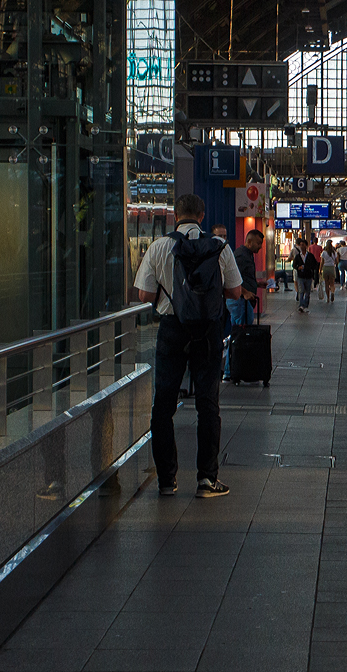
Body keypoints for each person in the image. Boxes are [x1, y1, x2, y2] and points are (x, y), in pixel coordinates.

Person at [133, 193, 245, 499]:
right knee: (208, 404)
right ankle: (207, 479)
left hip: (171, 330)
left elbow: (143, 295)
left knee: (163, 406)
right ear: (202, 213)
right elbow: (235, 291)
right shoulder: (219, 247)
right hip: (208, 332)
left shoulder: (159, 246)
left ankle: (167, 480)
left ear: (175, 214)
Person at [224, 229, 267, 380]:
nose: (260, 246)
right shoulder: (241, 256)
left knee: (241, 333)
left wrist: (257, 284)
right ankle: (231, 371)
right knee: (239, 335)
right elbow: (232, 279)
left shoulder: (247, 255)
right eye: (258, 243)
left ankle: (236, 369)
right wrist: (244, 293)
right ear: (249, 242)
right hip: (239, 301)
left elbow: (243, 277)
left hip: (243, 301)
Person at [293, 238, 317, 312]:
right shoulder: (297, 256)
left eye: (303, 245)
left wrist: (309, 268)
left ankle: (305, 305)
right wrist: (298, 267)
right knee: (301, 291)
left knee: (307, 292)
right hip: (300, 276)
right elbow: (294, 265)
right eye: (300, 245)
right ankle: (301, 305)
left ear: (306, 246)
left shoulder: (310, 256)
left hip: (308, 276)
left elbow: (314, 264)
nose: (301, 246)